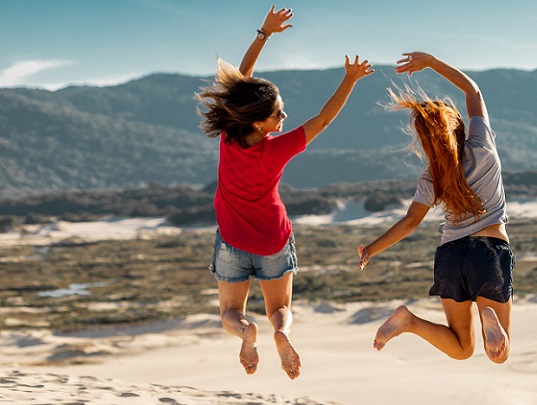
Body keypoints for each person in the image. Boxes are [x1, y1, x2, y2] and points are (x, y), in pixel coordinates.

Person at [197, 5, 373, 380]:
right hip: (274, 241)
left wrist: (263, 33)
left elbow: (239, 82)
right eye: (278, 114)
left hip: (231, 242)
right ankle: (281, 333)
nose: (284, 119)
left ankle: (246, 332)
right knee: (280, 308)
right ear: (259, 122)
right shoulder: (277, 148)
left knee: (230, 312)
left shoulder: (230, 137)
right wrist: (350, 81)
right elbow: (323, 119)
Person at [358, 52, 513, 364]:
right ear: (457, 126)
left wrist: (371, 249)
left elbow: (411, 221)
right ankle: (489, 317)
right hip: (490, 252)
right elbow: (473, 91)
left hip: (451, 256)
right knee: (498, 355)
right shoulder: (481, 145)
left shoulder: (432, 174)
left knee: (461, 348)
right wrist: (431, 62)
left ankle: (409, 321)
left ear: (427, 142)